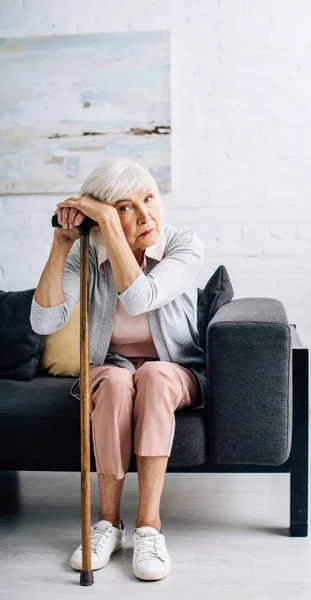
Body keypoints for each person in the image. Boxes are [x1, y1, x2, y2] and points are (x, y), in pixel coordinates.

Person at [29, 158, 206, 581]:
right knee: (115, 380)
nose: (146, 215)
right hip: (112, 371)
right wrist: (63, 243)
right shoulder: (89, 257)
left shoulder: (184, 244)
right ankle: (108, 523)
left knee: (155, 375)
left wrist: (110, 220)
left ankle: (149, 527)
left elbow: (141, 298)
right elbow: (43, 322)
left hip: (176, 372)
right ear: (102, 218)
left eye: (148, 198)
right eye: (125, 207)